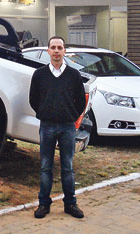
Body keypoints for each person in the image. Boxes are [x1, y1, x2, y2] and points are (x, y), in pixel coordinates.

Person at [29, 36, 87, 219]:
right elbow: (33, 99)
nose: (56, 51)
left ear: (64, 51)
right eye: (53, 47)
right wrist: (44, 113)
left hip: (67, 127)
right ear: (48, 51)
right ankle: (43, 205)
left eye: (59, 48)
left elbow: (80, 101)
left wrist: (71, 115)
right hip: (47, 126)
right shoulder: (39, 74)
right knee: (46, 167)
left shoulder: (74, 75)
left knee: (67, 167)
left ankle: (70, 204)